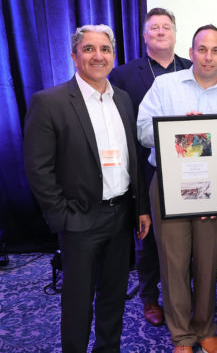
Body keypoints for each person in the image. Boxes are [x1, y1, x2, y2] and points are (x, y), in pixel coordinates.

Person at [23, 24, 151, 352]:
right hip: (79, 220)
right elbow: (39, 169)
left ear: (113, 56)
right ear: (74, 56)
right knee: (78, 303)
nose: (98, 56)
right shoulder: (49, 102)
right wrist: (63, 217)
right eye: (89, 49)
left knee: (113, 297)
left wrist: (140, 208)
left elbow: (133, 158)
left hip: (121, 216)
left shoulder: (123, 99)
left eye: (105, 49)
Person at [137, 24, 217, 353]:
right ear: (191, 53)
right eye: (202, 49)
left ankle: (205, 326)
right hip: (170, 183)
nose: (208, 56)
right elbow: (143, 132)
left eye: (215, 50)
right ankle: (182, 336)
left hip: (215, 187)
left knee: (209, 260)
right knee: (173, 263)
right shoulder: (165, 86)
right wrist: (181, 131)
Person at [109, 7, 192, 327]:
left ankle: (183, 294)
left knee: (188, 237)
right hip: (145, 166)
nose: (160, 31)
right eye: (154, 27)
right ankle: (149, 297)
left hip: (190, 163)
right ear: (144, 35)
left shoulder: (191, 68)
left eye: (166, 27)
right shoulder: (124, 75)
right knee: (149, 237)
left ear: (175, 34)